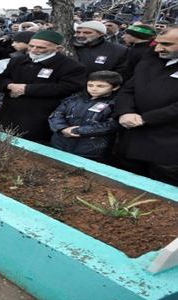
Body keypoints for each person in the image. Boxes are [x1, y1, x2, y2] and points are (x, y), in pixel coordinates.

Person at [0, 30, 87, 143]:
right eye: (31, 46)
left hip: (40, 115)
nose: (34, 50)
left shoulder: (71, 66)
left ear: (58, 49)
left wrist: (26, 89)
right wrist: (10, 85)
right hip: (9, 112)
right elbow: (0, 79)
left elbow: (68, 87)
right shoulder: (17, 60)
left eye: (41, 48)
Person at [113, 26, 178, 186]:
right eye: (157, 43)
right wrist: (125, 112)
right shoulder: (150, 60)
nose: (158, 48)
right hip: (131, 138)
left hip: (168, 146)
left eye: (167, 44)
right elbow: (128, 89)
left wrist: (146, 119)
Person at [49, 71, 122, 161]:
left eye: (100, 86)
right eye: (90, 85)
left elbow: (112, 125)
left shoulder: (117, 103)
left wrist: (78, 130)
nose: (94, 89)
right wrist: (62, 128)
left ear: (115, 87)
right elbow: (57, 114)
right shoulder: (74, 98)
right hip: (60, 143)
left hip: (92, 150)